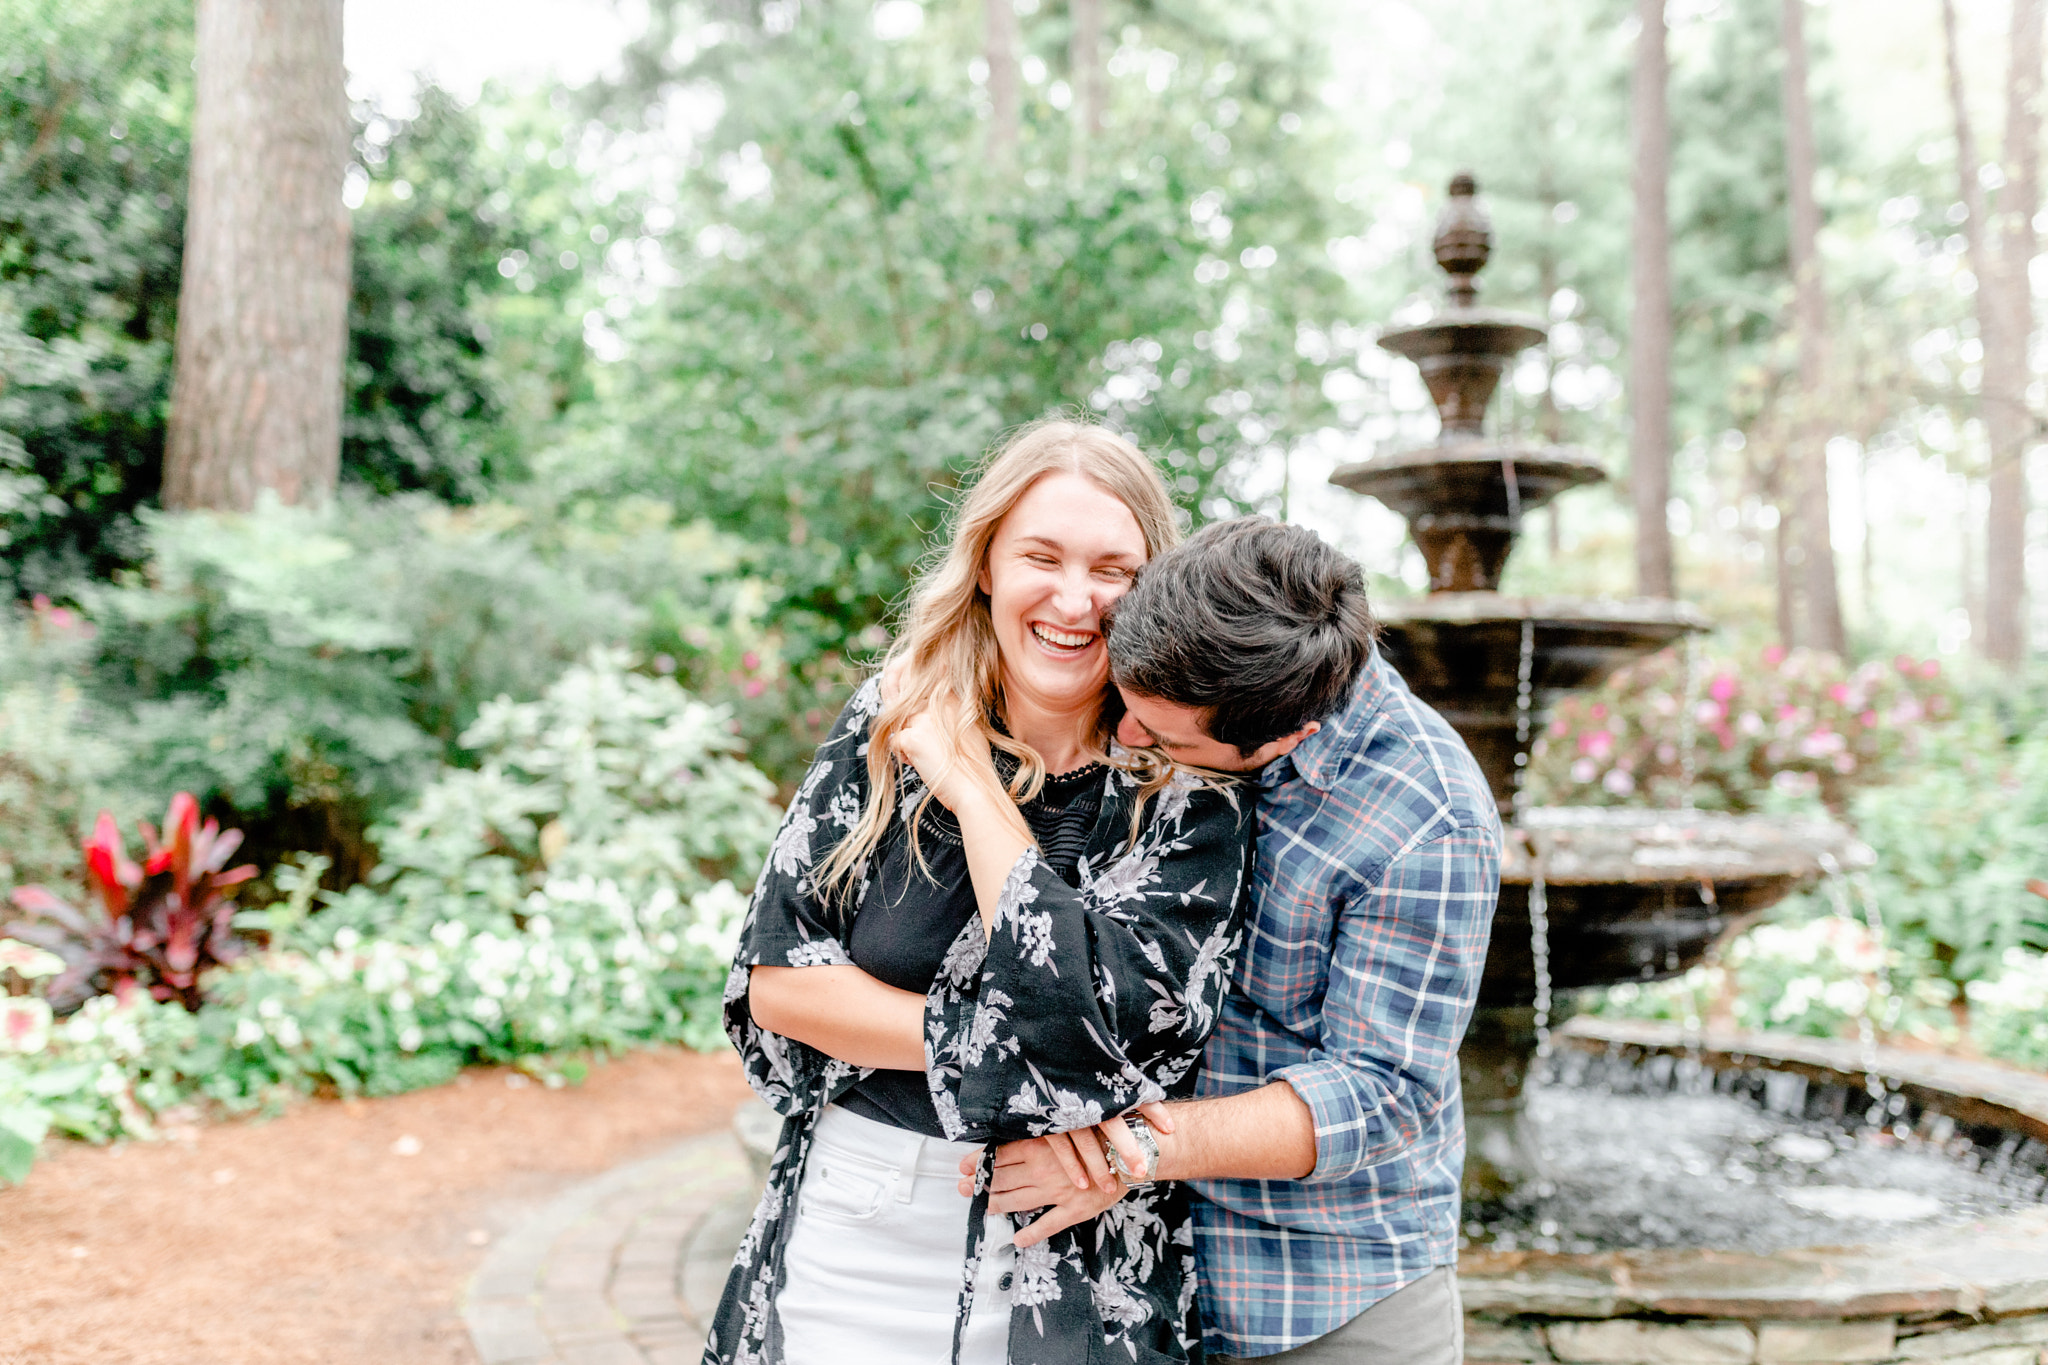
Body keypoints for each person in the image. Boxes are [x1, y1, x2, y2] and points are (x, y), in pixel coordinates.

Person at [705, 420, 1260, 1365]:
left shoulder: (1189, 789)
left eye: (1114, 570)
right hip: (861, 1225)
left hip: (1078, 1253)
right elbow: (779, 983)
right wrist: (1026, 1055)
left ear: (1153, 586)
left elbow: (1131, 1034)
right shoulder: (895, 717)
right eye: (1041, 555)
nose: (1074, 600)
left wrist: (969, 786)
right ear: (988, 564)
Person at [966, 517, 1503, 1365]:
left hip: (1324, 1296)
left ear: (1283, 735)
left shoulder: (1427, 821)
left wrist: (1125, 1147)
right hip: (1141, 1279)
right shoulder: (1215, 641)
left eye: (1167, 739)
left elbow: (1380, 1092)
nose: (1131, 742)